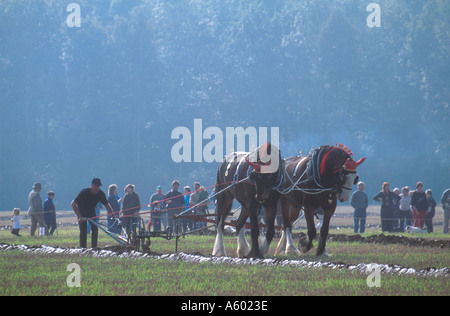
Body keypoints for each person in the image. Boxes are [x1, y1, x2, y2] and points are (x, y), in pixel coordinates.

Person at [71, 178, 115, 248]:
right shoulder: (84, 192)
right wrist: (79, 216)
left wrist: (113, 215)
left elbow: (107, 205)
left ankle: (94, 247)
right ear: (91, 185)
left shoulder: (101, 194)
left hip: (91, 210)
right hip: (82, 210)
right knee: (83, 231)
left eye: (98, 186)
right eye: (95, 186)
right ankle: (83, 248)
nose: (97, 188)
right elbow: (73, 204)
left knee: (95, 229)